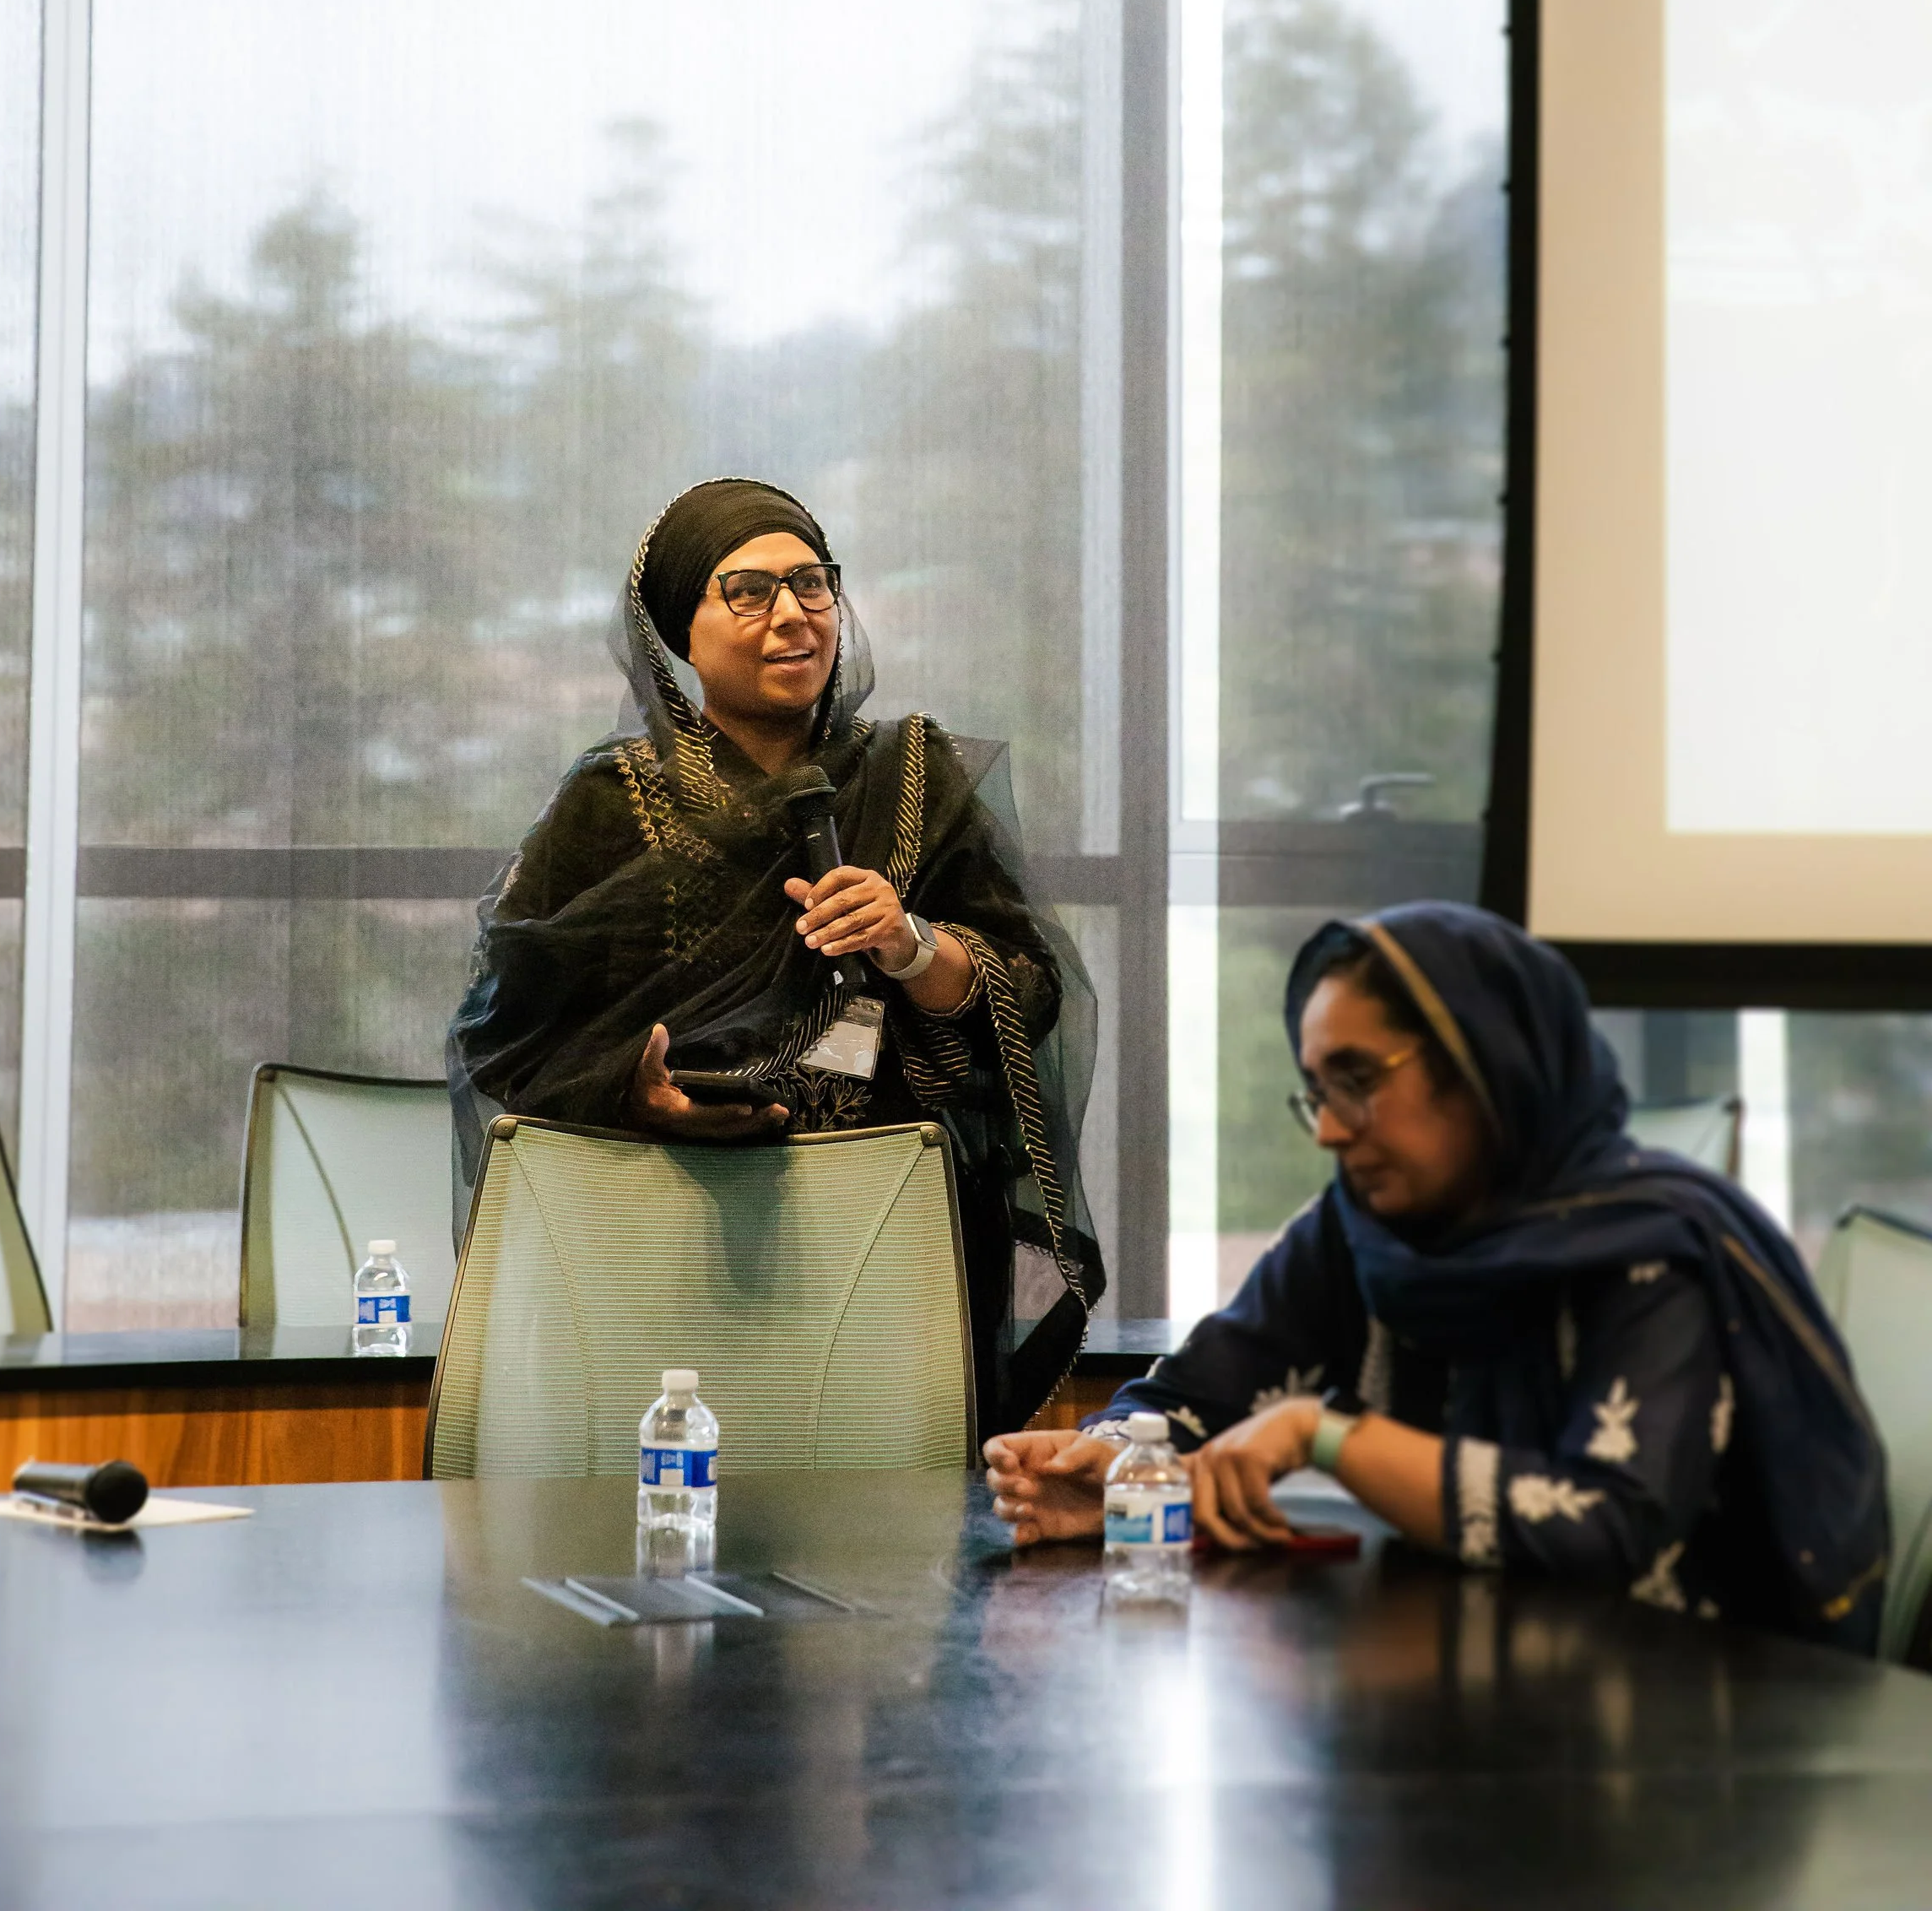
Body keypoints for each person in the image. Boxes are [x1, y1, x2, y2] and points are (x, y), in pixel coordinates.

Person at [985, 905, 1887, 1650]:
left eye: (1359, 1080)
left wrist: (1323, 1434)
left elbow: (1605, 1528)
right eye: (1318, 1091)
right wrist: (1112, 1464)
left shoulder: (1648, 1251)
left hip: (1685, 1736)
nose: (1330, 1131)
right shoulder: (1363, 1227)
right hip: (1467, 1700)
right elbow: (1195, 1396)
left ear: (1485, 1067)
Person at [447, 476, 1102, 1432]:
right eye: (747, 591)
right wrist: (638, 1092)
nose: (791, 614)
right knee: (666, 1520)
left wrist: (910, 945)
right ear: (682, 633)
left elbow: (1030, 992)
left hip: (891, 1224)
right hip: (661, 1223)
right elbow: (506, 1032)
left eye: (811, 582)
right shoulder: (610, 801)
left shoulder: (913, 772)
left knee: (889, 1542)